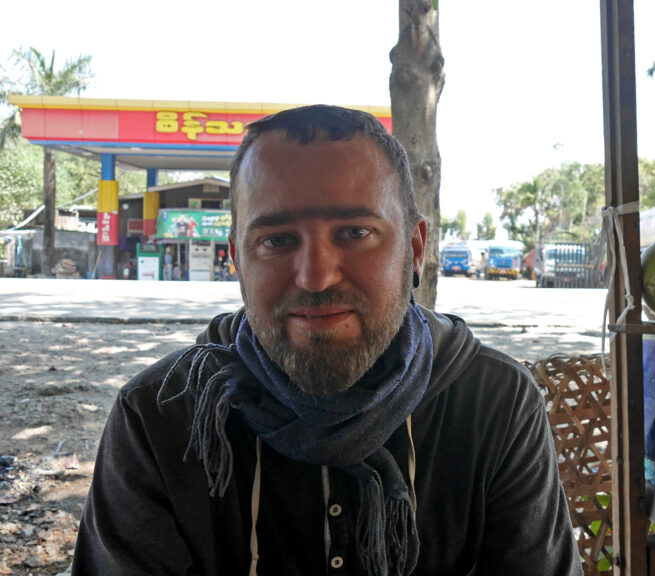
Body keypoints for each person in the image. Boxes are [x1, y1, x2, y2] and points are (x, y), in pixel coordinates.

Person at [72, 105, 582, 575]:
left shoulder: (494, 404)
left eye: (355, 232)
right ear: (237, 259)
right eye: (276, 240)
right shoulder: (160, 415)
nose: (315, 277)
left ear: (416, 248)